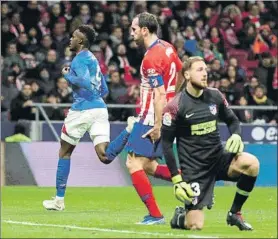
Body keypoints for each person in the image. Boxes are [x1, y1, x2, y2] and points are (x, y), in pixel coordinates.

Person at [43, 25, 135, 211]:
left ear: (81, 41)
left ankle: (59, 201)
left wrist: (68, 75)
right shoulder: (93, 59)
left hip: (81, 110)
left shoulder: (78, 60)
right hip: (100, 108)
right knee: (105, 155)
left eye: (74, 36)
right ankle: (128, 130)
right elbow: (105, 90)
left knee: (64, 152)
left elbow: (84, 82)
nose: (70, 39)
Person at [161, 56, 260, 231]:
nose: (205, 74)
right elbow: (167, 144)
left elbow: (233, 121)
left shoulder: (215, 96)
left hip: (218, 159)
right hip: (195, 169)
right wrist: (177, 180)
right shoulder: (175, 106)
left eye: (205, 69)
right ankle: (179, 218)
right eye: (199, 70)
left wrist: (236, 135)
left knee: (252, 164)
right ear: (187, 75)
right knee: (195, 225)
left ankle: (234, 213)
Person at [124, 12, 184, 225]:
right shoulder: (167, 47)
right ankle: (193, 182)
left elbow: (158, 94)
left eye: (133, 29)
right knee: (148, 166)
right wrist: (174, 100)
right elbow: (182, 73)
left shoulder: (151, 58)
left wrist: (158, 124)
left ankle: (155, 214)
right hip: (166, 112)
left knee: (133, 163)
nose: (131, 33)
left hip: (151, 116)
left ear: (144, 30)